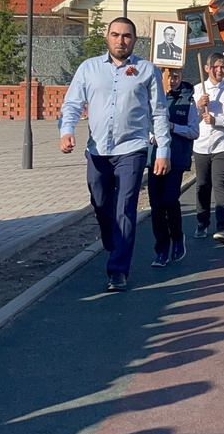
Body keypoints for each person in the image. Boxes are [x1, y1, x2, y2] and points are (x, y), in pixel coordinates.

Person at [59, 18, 170, 292]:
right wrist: (66, 130)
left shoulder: (146, 71)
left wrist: (163, 151)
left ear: (134, 39)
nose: (121, 40)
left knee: (126, 207)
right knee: (100, 202)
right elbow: (72, 103)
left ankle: (118, 270)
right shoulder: (89, 68)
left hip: (132, 149)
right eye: (116, 35)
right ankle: (112, 241)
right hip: (98, 149)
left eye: (127, 36)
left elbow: (159, 112)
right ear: (107, 37)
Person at [149, 68, 198, 266]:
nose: (172, 80)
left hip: (176, 158)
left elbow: (194, 132)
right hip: (154, 158)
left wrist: (173, 127)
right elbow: (143, 124)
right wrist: (151, 136)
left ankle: (177, 237)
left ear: (182, 77)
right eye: (168, 76)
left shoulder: (189, 102)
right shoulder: (152, 98)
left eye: (176, 76)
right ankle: (161, 249)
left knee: (170, 200)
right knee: (156, 206)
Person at [191, 53, 224, 241]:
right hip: (201, 144)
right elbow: (190, 121)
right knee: (203, 185)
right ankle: (202, 221)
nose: (220, 70)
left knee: (220, 184)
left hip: (223, 144)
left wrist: (217, 120)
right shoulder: (197, 91)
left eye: (223, 67)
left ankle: (223, 227)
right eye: (216, 67)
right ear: (207, 68)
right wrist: (198, 106)